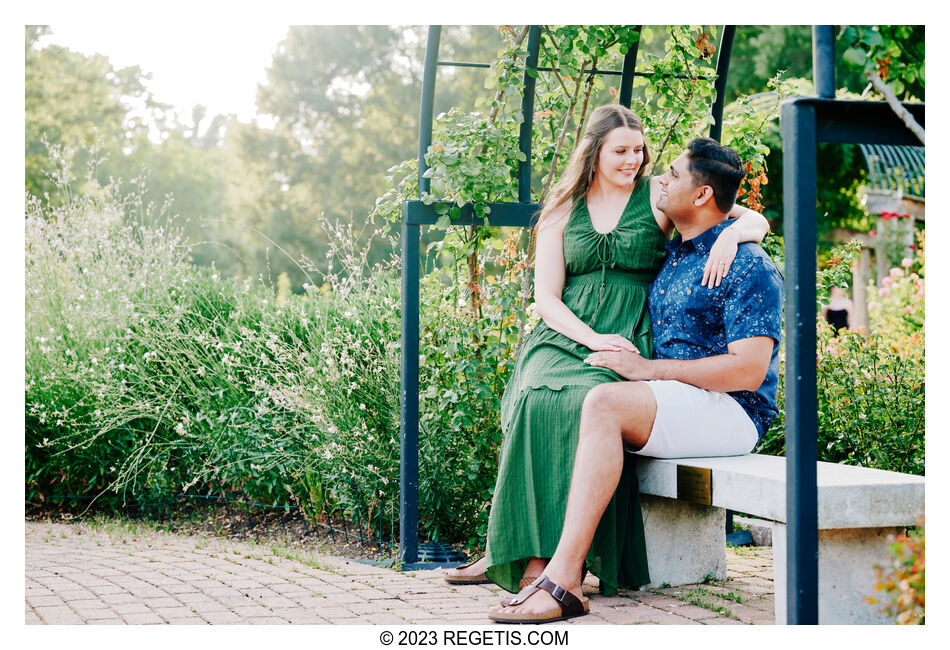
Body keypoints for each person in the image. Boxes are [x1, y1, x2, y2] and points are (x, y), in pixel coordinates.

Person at [444, 106, 770, 596]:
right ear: (594, 152)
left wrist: (737, 235)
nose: (633, 161)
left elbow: (736, 213)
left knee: (587, 401)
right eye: (620, 151)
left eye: (639, 150)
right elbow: (545, 299)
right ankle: (522, 551)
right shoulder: (562, 205)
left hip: (628, 335)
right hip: (567, 333)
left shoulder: (658, 199)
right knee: (537, 398)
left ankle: (551, 560)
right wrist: (590, 338)